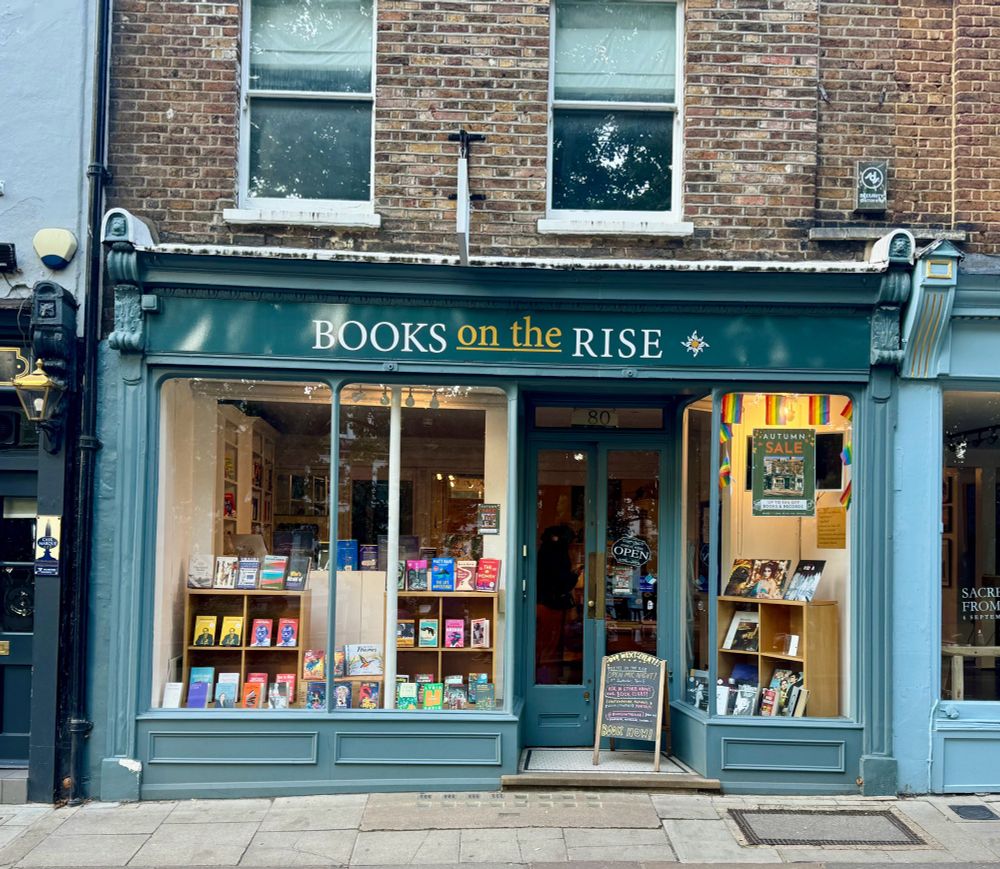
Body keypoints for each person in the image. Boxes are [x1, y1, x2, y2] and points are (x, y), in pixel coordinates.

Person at [535, 524, 581, 683]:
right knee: (551, 644)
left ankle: (541, 678)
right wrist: (575, 575)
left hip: (540, 602)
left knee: (541, 642)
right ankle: (547, 679)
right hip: (551, 604)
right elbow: (561, 583)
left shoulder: (543, 551)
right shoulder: (559, 553)